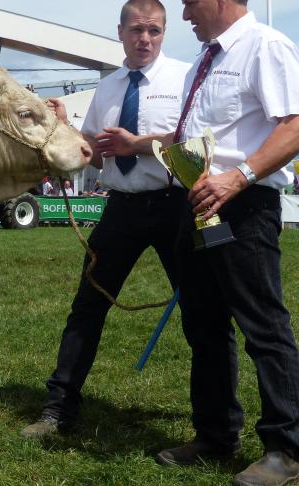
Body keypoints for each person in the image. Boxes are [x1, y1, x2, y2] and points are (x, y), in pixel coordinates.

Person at [106, 1, 299, 483]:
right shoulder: (205, 60)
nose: (186, 13)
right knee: (204, 325)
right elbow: (190, 135)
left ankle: (288, 449)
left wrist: (238, 177)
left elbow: (294, 125)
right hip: (195, 208)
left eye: (190, 3)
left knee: (264, 327)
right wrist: (136, 145)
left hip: (243, 206)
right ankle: (215, 434)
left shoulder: (265, 46)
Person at [20, 0, 190, 440]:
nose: (144, 39)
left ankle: (214, 424)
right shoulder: (109, 87)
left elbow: (192, 143)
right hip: (122, 207)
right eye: (136, 30)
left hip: (176, 206)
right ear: (120, 32)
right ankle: (58, 411)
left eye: (153, 30)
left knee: (202, 313)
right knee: (88, 305)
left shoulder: (186, 78)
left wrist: (139, 144)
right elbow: (94, 150)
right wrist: (64, 128)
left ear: (165, 33)